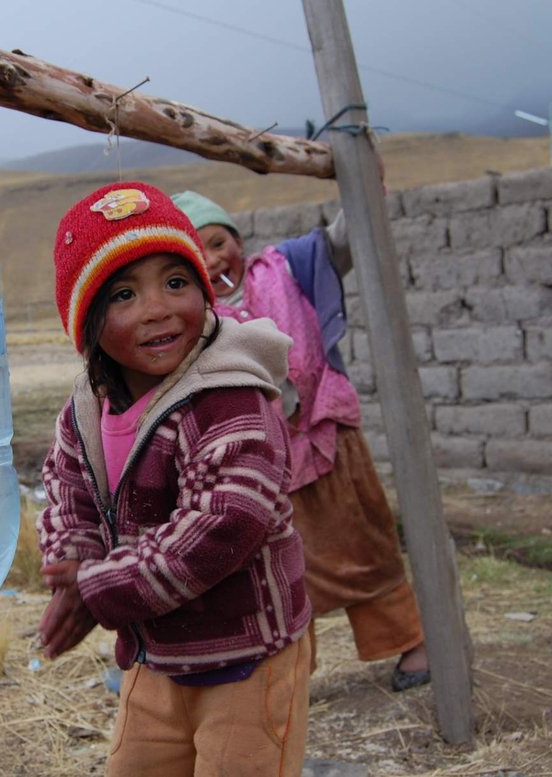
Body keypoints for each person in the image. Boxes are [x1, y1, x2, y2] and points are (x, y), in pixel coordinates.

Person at [36, 181, 312, 776]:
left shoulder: (229, 397)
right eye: (124, 294)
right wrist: (72, 563)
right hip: (156, 657)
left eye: (177, 282)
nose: (157, 308)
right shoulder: (87, 407)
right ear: (86, 322)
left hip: (247, 659)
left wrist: (96, 587)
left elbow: (221, 527)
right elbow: (66, 489)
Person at [169, 189, 431, 692]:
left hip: (327, 438)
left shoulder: (288, 267)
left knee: (364, 543)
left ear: (238, 241)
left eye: (220, 242)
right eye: (198, 252)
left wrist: (364, 178)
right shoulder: (193, 318)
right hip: (260, 460)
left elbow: (346, 236)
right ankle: (287, 675)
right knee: (278, 569)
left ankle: (411, 641)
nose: (214, 259)